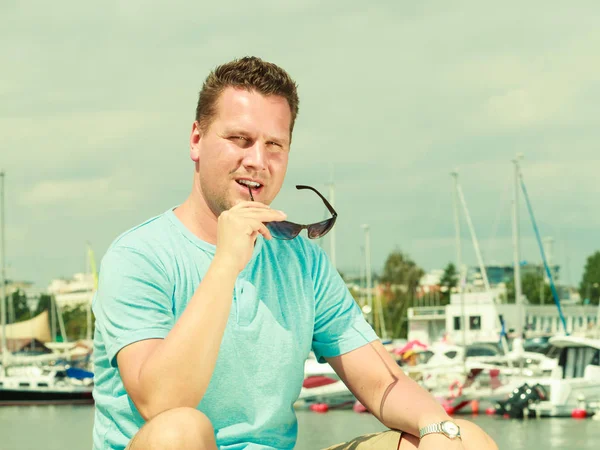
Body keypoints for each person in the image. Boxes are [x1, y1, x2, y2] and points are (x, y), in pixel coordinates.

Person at [92, 56, 498, 450]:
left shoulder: (302, 261)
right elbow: (161, 402)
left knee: (462, 438)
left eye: (274, 145)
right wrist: (227, 263)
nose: (257, 161)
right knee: (179, 429)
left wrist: (440, 430)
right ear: (197, 140)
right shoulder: (138, 256)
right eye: (239, 140)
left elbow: (381, 381)